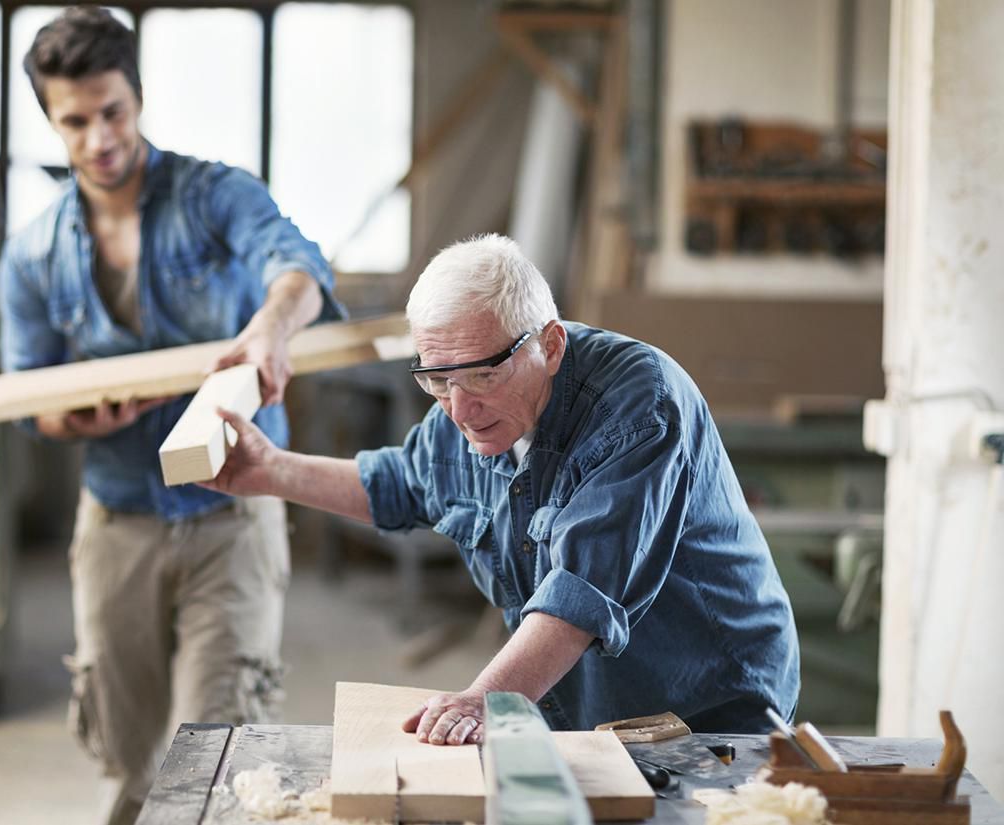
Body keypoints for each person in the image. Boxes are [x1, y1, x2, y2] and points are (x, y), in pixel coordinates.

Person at [205, 233, 800, 745]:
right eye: (437, 379)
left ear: (551, 344)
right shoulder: (463, 403)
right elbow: (401, 484)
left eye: (484, 374)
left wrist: (482, 699)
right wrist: (268, 470)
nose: (460, 409)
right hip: (589, 712)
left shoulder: (640, 406)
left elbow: (581, 595)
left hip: (713, 705)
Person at [0, 8, 343, 823]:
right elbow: (24, 395)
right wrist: (68, 419)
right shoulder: (33, 252)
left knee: (224, 762)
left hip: (231, 514)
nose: (98, 139)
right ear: (51, 119)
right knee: (125, 764)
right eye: (73, 121)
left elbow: (298, 264)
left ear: (139, 97)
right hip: (117, 519)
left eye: (111, 112)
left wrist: (270, 326)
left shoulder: (213, 194)